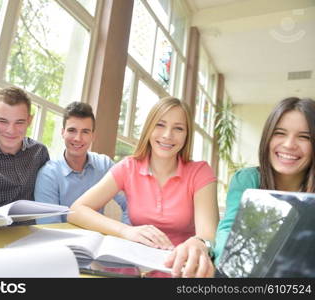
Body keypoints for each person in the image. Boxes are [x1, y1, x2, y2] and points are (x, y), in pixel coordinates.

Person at [68, 96, 219, 277]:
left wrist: (198, 242)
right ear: (149, 128)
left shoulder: (200, 172)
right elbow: (76, 210)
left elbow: (208, 234)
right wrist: (126, 231)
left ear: (187, 135)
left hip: (180, 269)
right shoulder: (128, 167)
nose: (167, 135)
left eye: (178, 128)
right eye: (160, 125)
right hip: (134, 267)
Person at [214, 97, 315, 265]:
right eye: (280, 133)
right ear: (268, 138)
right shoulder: (247, 180)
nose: (289, 144)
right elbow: (228, 232)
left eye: (304, 137)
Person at [34, 101, 129, 224]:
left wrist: (127, 234)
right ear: (63, 132)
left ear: (93, 136)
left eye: (85, 131)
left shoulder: (104, 165)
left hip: (98, 238)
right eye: (72, 130)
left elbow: (131, 204)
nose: (78, 138)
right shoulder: (48, 174)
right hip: (62, 241)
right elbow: (49, 226)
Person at [0, 87, 49, 213]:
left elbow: (46, 201)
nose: (11, 130)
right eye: (3, 121)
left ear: (29, 120)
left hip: (32, 229)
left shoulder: (39, 152)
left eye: (19, 122)